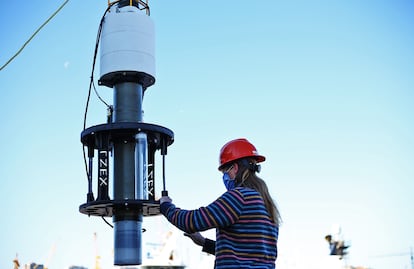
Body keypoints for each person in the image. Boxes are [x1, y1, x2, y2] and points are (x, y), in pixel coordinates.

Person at [160, 138, 282, 269]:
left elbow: (191, 221)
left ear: (235, 168)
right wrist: (203, 243)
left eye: (225, 172)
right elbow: (248, 253)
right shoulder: (267, 203)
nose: (224, 177)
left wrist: (166, 206)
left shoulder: (238, 197)